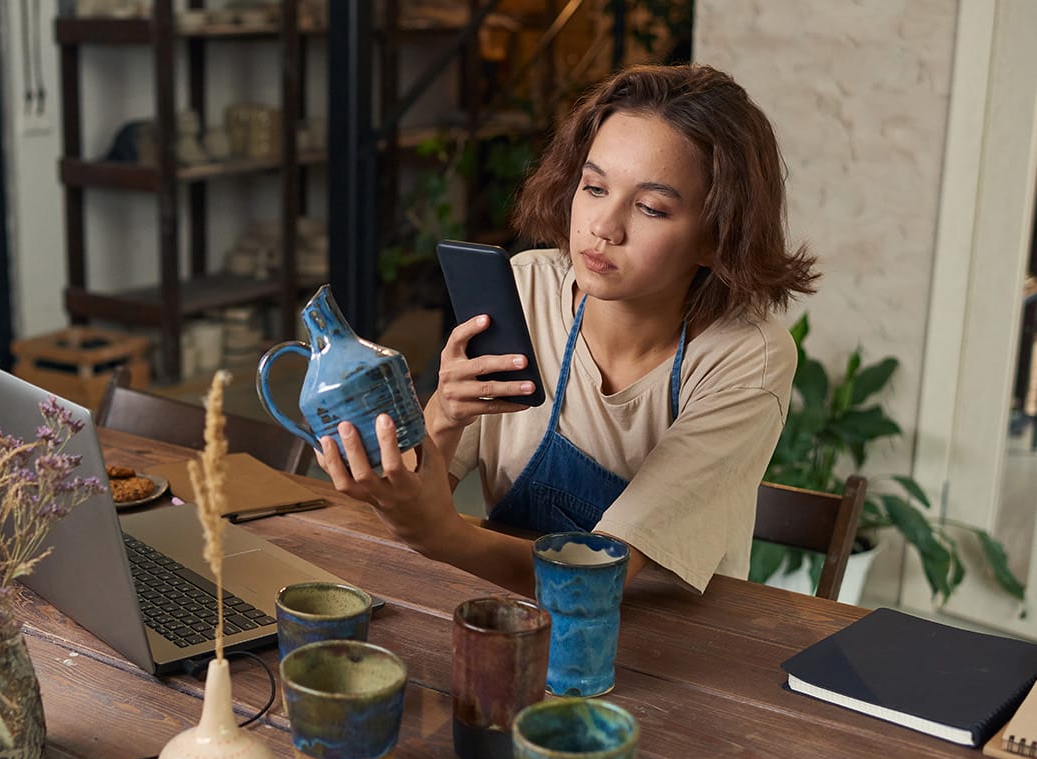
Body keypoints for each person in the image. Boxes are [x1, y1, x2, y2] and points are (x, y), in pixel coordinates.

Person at [315, 63, 819, 596]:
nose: (604, 227)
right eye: (595, 187)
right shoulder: (524, 290)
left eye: (650, 207)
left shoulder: (743, 358)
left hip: (672, 645)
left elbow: (605, 576)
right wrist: (443, 416)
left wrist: (444, 536)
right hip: (512, 613)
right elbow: (429, 489)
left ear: (716, 237)